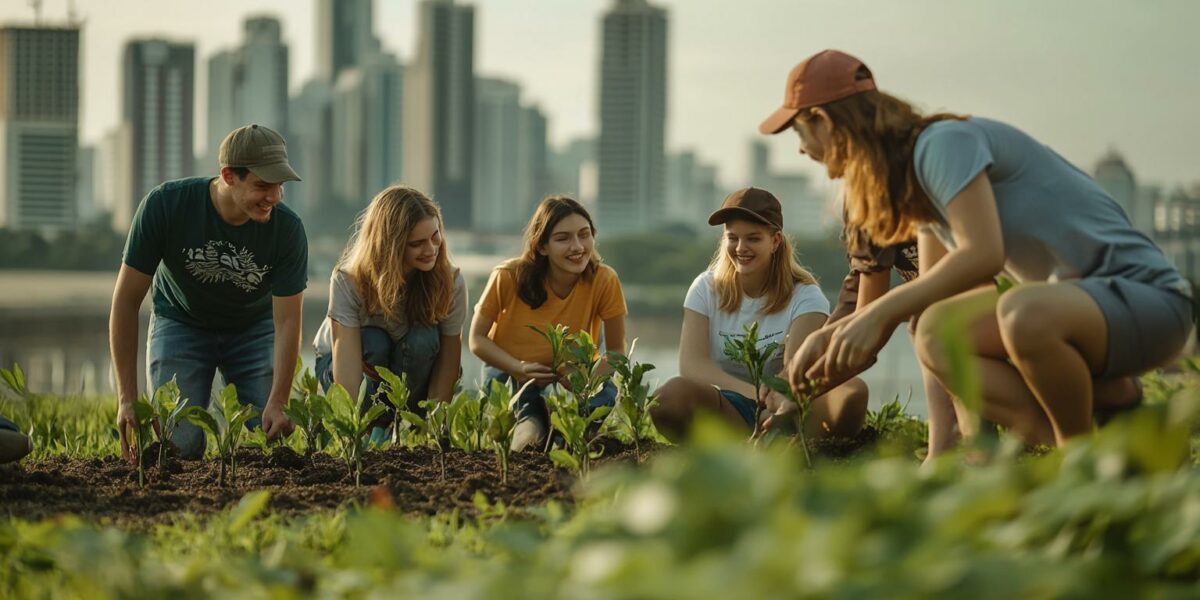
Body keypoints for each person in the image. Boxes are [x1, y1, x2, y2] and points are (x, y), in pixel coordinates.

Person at [764, 50, 1191, 447]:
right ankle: (1102, 432)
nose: (802, 148)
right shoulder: (919, 193)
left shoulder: (942, 144)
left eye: (800, 131)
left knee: (1022, 312)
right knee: (935, 332)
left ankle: (1079, 455)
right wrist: (818, 352)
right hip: (1084, 315)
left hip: (1148, 302)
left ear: (824, 120)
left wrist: (880, 311)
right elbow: (936, 295)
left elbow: (982, 253)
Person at [110, 124, 308, 461]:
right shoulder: (165, 206)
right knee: (179, 449)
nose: (274, 197)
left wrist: (278, 401)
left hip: (253, 329)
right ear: (229, 176)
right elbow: (126, 302)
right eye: (262, 185)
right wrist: (126, 397)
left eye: (279, 186)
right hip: (181, 323)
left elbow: (288, 321)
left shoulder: (287, 230)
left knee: (270, 439)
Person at [650, 187, 868, 441]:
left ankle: (797, 446)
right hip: (731, 407)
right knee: (669, 397)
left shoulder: (806, 296)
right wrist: (755, 396)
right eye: (733, 238)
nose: (741, 248)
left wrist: (777, 403)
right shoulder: (704, 288)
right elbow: (692, 366)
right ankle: (751, 445)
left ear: (775, 241)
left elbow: (796, 370)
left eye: (753, 238)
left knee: (853, 391)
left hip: (791, 406)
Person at [468, 196, 627, 451]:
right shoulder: (507, 276)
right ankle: (531, 436)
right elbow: (476, 340)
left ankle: (568, 440)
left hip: (572, 377)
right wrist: (518, 367)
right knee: (528, 434)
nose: (577, 246)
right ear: (542, 246)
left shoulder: (604, 280)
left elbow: (617, 351)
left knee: (600, 399)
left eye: (584, 235)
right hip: (512, 373)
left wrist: (587, 379)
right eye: (563, 238)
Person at [313, 186, 466, 417]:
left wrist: (435, 425)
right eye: (417, 244)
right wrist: (350, 427)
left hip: (410, 366)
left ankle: (404, 424)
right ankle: (373, 427)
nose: (431, 249)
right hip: (349, 363)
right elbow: (347, 369)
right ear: (390, 245)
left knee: (424, 338)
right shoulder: (348, 280)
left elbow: (449, 359)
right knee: (375, 341)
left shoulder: (451, 281)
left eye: (435, 237)